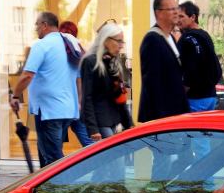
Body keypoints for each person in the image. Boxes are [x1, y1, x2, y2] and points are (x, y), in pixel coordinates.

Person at [10, 12, 84, 168]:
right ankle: (44, 189)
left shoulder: (41, 45)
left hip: (49, 111)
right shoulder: (69, 43)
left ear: (44, 25)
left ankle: (65, 187)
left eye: (37, 25)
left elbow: (27, 76)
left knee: (53, 159)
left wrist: (15, 96)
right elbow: (79, 78)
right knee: (46, 155)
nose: (36, 29)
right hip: (68, 109)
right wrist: (79, 101)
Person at [137, 0, 188, 123]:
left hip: (175, 114)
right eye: (171, 9)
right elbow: (152, 83)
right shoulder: (152, 40)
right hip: (162, 118)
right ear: (158, 13)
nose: (176, 12)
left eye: (177, 8)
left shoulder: (170, 37)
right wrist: (162, 120)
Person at [81, 21, 134, 142]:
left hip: (114, 120)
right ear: (106, 40)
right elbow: (87, 97)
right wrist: (92, 128)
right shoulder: (90, 62)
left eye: (122, 42)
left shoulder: (114, 62)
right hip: (100, 121)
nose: (121, 46)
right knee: (115, 160)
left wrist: (129, 123)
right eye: (118, 41)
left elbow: (120, 97)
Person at [177, 0, 223, 112]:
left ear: (192, 17)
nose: (178, 20)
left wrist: (181, 93)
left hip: (195, 98)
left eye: (181, 16)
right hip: (210, 97)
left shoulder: (188, 39)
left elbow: (191, 70)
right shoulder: (205, 36)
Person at [58, 20, 96, 148]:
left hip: (67, 105)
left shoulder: (65, 53)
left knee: (56, 145)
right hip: (78, 105)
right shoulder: (79, 51)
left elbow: (79, 80)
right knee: (89, 143)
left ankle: (59, 168)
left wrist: (79, 102)